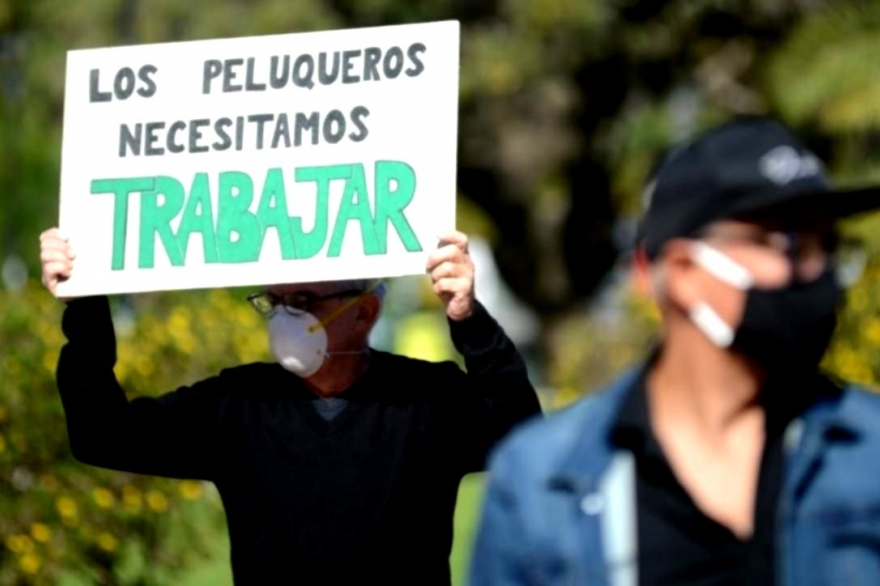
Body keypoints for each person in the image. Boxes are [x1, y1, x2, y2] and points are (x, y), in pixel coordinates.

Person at [469, 117, 880, 586]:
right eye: (787, 243)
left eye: (825, 245)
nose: (817, 271)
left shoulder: (870, 452)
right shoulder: (539, 483)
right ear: (682, 270)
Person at [39, 228, 540, 585]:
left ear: (364, 312)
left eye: (304, 300)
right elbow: (101, 433)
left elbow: (524, 437)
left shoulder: (426, 398)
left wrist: (469, 320)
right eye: (274, 301)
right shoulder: (237, 406)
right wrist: (84, 306)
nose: (285, 316)